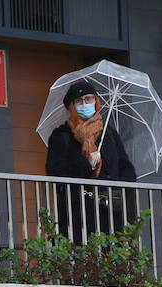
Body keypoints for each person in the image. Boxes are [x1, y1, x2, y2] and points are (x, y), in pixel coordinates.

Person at [45, 80, 137, 240]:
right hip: (77, 214)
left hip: (111, 216)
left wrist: (116, 192)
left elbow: (127, 169)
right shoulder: (61, 136)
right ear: (71, 106)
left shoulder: (109, 134)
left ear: (96, 101)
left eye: (88, 99)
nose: (84, 104)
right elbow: (56, 172)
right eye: (79, 101)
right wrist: (87, 164)